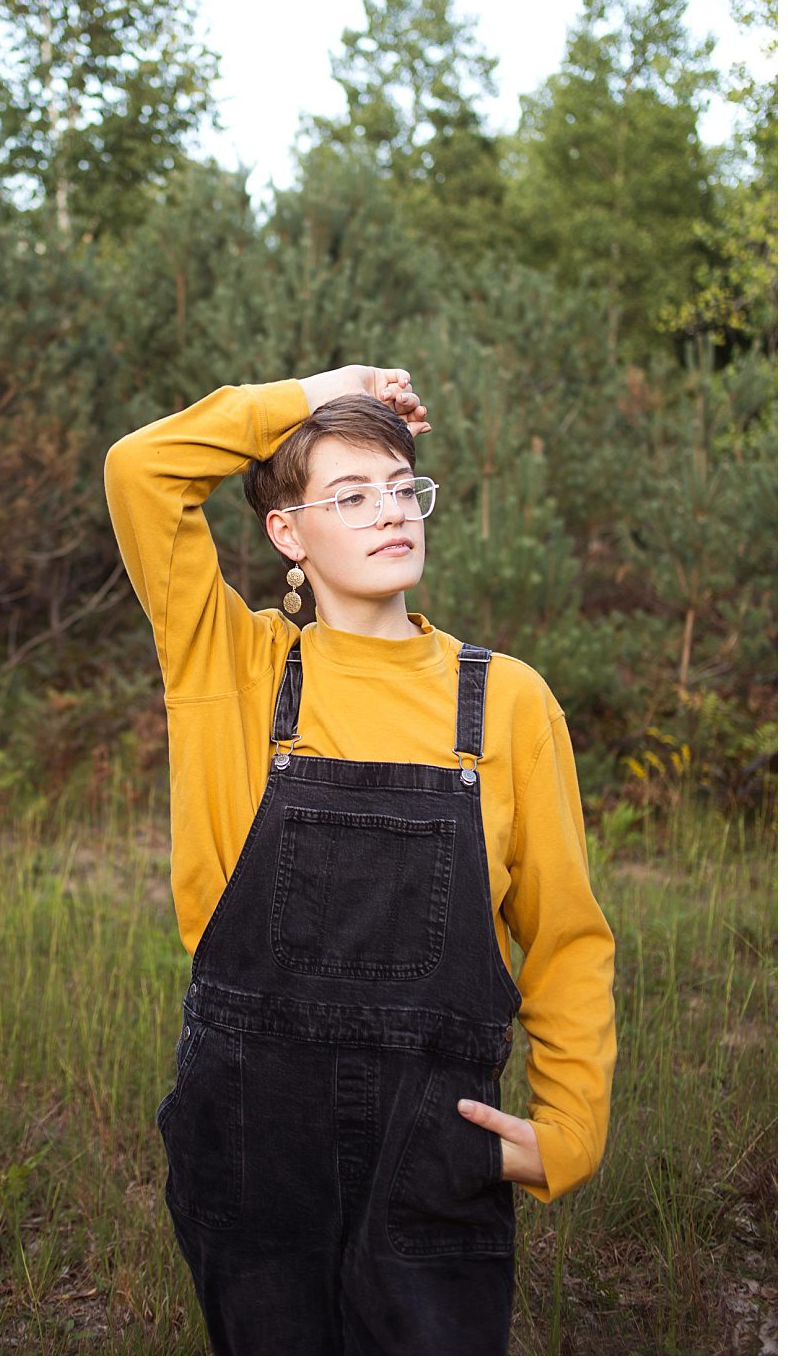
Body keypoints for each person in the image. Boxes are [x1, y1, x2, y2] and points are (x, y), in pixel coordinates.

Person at [103, 364, 616, 1352]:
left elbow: (564, 938)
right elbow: (139, 469)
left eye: (398, 486)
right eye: (348, 495)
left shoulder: (505, 700)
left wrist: (570, 1127)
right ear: (286, 534)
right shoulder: (234, 666)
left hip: (432, 1143)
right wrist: (313, 391)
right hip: (252, 1139)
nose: (388, 512)